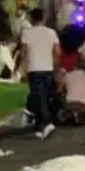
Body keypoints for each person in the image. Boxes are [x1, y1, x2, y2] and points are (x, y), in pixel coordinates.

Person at [20, 8, 59, 139]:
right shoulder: (51, 33)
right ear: (43, 18)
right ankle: (40, 123)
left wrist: (23, 69)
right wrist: (55, 67)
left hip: (34, 68)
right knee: (43, 96)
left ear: (32, 18)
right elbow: (57, 52)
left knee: (38, 96)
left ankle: (45, 122)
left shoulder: (27, 33)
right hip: (47, 67)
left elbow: (24, 52)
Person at [56, 57, 85, 125]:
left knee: (61, 100)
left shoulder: (67, 76)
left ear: (74, 66)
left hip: (71, 104)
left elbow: (60, 90)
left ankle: (71, 115)